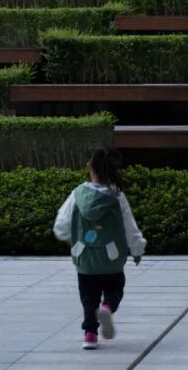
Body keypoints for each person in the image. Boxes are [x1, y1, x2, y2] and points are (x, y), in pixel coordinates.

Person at [54, 147, 147, 350]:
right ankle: (107, 307)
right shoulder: (117, 196)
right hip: (112, 259)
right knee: (114, 289)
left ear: (89, 166)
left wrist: (73, 242)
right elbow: (130, 228)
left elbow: (61, 226)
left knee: (88, 298)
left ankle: (90, 335)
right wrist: (137, 250)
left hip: (85, 258)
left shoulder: (77, 194)